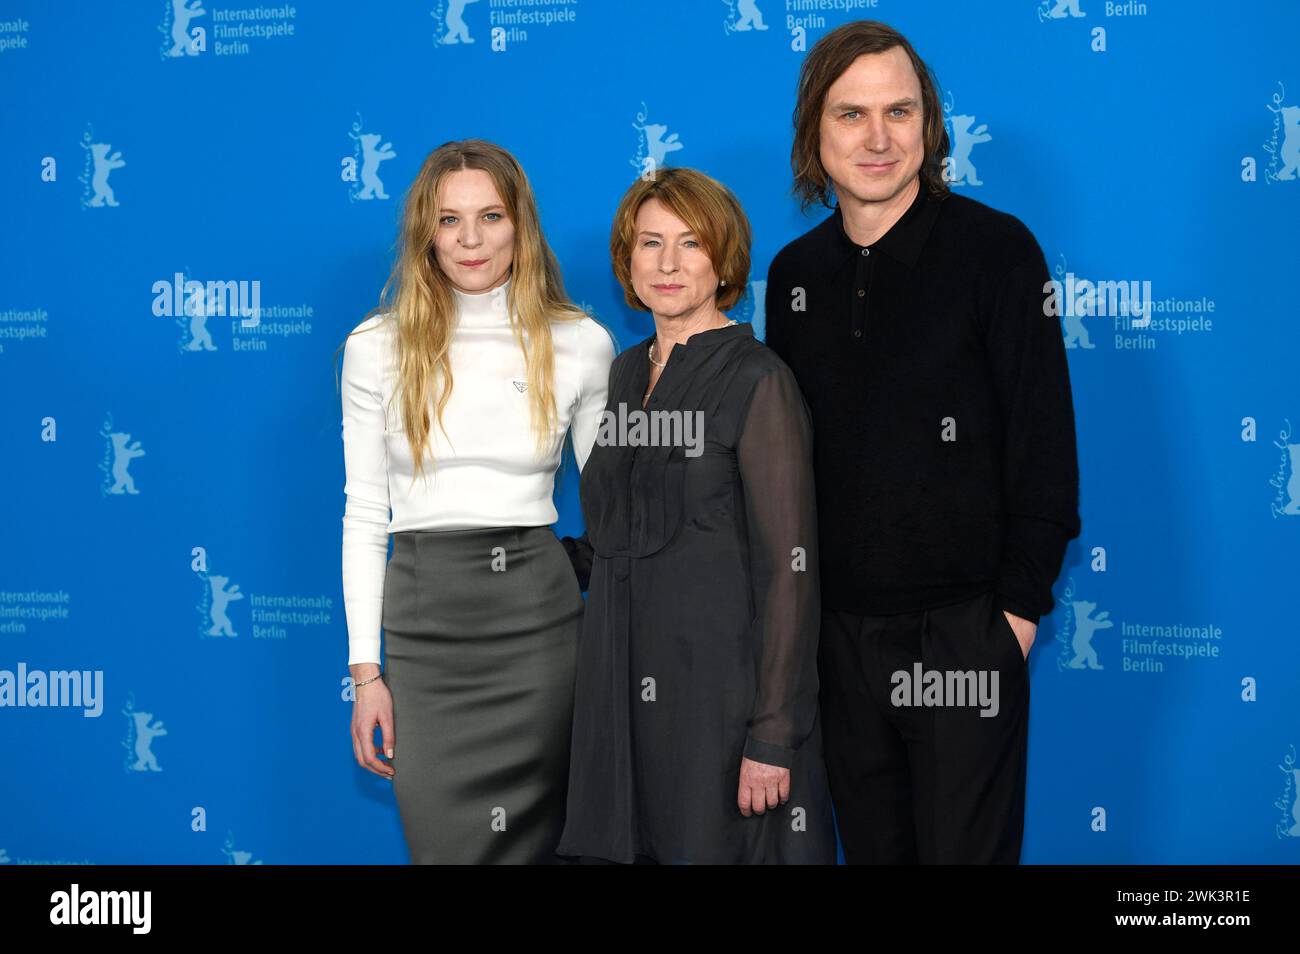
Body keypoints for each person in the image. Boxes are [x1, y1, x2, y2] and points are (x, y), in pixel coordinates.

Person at [765, 20, 1081, 864]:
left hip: (963, 632)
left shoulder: (996, 251)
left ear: (930, 127)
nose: (878, 138)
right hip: (838, 643)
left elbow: (1043, 443)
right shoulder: (795, 277)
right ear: (814, 133)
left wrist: (1011, 616)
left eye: (900, 112)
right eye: (851, 114)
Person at [338, 139, 615, 864]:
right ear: (424, 231)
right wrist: (366, 675)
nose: (469, 239)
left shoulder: (581, 344)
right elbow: (366, 516)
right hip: (424, 638)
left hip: (540, 635)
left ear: (520, 224)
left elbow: (617, 512)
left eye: (490, 216)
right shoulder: (375, 346)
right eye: (449, 218)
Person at [557, 166, 836, 864]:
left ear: (724, 260)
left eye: (691, 243)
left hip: (720, 702)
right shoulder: (625, 375)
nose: (670, 264)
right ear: (627, 260)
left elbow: (790, 573)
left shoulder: (758, 380)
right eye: (651, 243)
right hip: (621, 691)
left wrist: (772, 736)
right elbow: (617, 536)